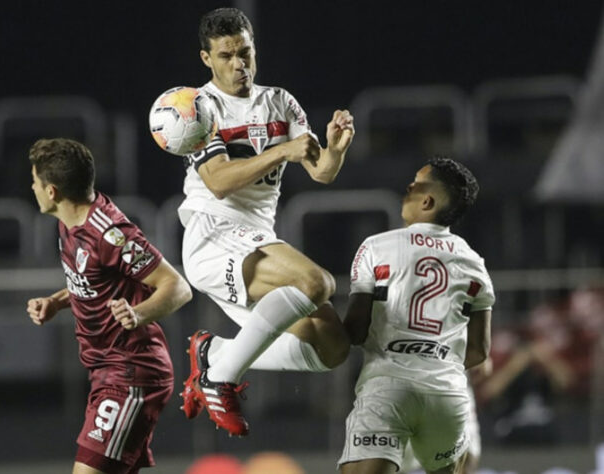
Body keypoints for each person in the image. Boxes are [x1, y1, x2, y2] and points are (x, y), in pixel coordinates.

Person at [178, 7, 355, 437]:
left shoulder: (280, 101)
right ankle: (219, 378)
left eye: (245, 52)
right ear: (207, 59)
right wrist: (281, 152)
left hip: (256, 240)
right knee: (318, 283)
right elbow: (218, 182)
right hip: (214, 234)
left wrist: (335, 149)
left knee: (332, 345)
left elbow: (321, 172)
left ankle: (216, 353)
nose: (239, 64)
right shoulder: (198, 109)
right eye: (226, 56)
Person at [25, 138, 192, 474]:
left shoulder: (111, 234)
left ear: (52, 191)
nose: (32, 188)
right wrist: (56, 302)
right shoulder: (69, 223)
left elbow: (178, 287)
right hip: (106, 372)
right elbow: (95, 282)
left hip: (130, 373)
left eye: (35, 182)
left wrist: (137, 313)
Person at [339, 157, 495, 474]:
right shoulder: (474, 262)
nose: (408, 188)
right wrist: (435, 358)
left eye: (416, 183)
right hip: (447, 393)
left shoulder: (376, 246)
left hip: (389, 387)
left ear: (427, 200)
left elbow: (355, 330)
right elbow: (480, 351)